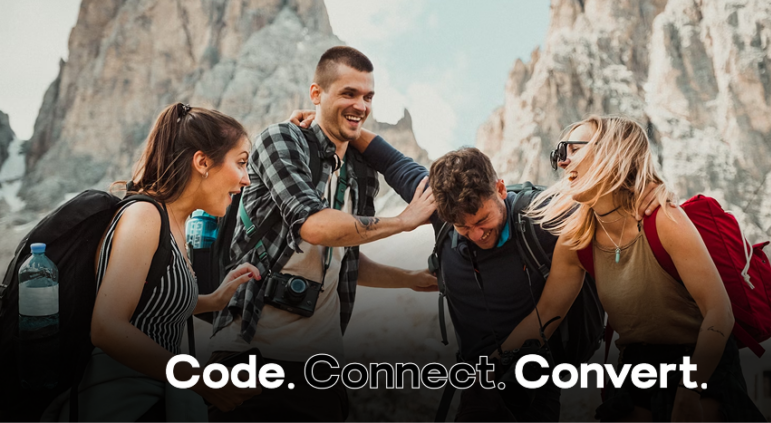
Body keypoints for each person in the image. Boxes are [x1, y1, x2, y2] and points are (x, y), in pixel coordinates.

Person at [286, 110, 660, 423]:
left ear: (500, 189)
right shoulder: (440, 209)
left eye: (482, 221)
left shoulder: (543, 215)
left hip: (536, 371)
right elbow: (389, 159)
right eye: (462, 228)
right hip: (477, 376)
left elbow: (609, 197)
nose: (475, 234)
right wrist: (329, 122)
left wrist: (650, 194)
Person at [208, 46, 438, 422]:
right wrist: (403, 222)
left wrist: (411, 280)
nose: (361, 106)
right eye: (348, 93)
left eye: (368, 97)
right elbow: (314, 226)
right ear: (316, 94)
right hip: (249, 354)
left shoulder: (362, 174)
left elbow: (344, 255)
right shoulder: (280, 140)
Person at [500, 115, 766, 423]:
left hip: (701, 363)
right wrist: (487, 365)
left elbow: (719, 313)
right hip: (636, 371)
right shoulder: (577, 242)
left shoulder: (663, 219)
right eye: (560, 153)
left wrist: (690, 390)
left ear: (612, 151)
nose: (563, 161)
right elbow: (543, 317)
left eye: (573, 149)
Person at [47, 103, 263, 422]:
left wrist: (213, 299)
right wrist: (199, 379)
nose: (246, 179)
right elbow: (107, 328)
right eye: (241, 163)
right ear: (202, 162)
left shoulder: (174, 224)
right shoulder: (146, 216)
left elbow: (148, 307)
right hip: (119, 405)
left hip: (150, 400)